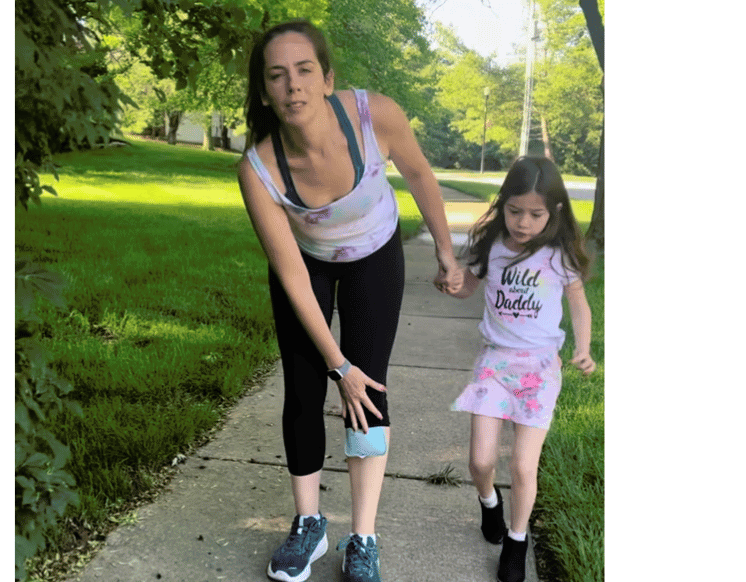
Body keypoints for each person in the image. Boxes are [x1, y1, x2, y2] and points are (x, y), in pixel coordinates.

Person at [237, 19, 462, 582]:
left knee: (371, 391)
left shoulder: (373, 115)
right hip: (307, 265)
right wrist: (338, 366)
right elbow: (290, 272)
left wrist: (445, 252)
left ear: (327, 77)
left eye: (305, 71)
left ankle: (363, 537)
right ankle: (309, 525)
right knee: (304, 387)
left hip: (376, 255)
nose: (293, 86)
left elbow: (419, 176)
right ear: (265, 90)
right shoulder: (258, 168)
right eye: (278, 76)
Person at [448, 156, 595, 582]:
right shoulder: (492, 247)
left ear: (555, 212)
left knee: (523, 467)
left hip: (541, 370)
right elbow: (468, 288)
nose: (523, 223)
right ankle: (489, 503)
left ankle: (516, 540)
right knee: (480, 461)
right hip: (495, 364)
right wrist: (454, 283)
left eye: (535, 214)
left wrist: (583, 349)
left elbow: (579, 305)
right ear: (502, 205)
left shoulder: (558, 254)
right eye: (514, 211)